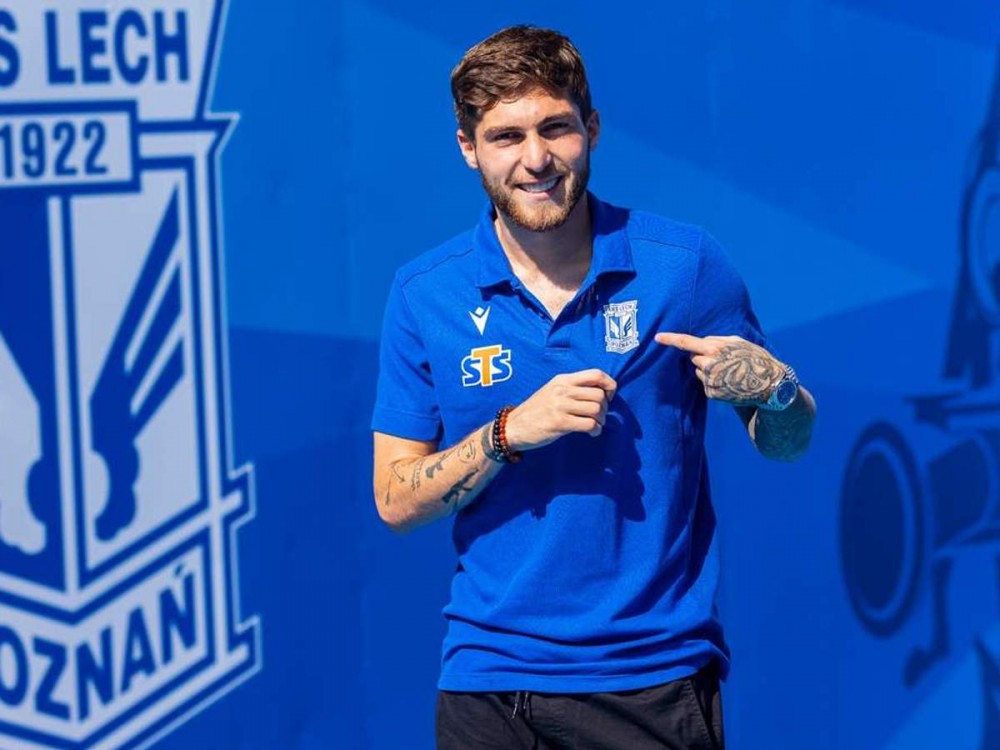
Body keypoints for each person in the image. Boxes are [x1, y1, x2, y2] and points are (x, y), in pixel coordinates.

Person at [370, 25, 816, 750]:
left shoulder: (684, 267)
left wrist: (775, 390)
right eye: (506, 136)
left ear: (592, 129)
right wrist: (509, 433)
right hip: (487, 685)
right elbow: (394, 500)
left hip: (651, 680)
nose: (535, 159)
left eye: (555, 128)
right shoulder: (426, 294)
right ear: (468, 148)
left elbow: (788, 442)